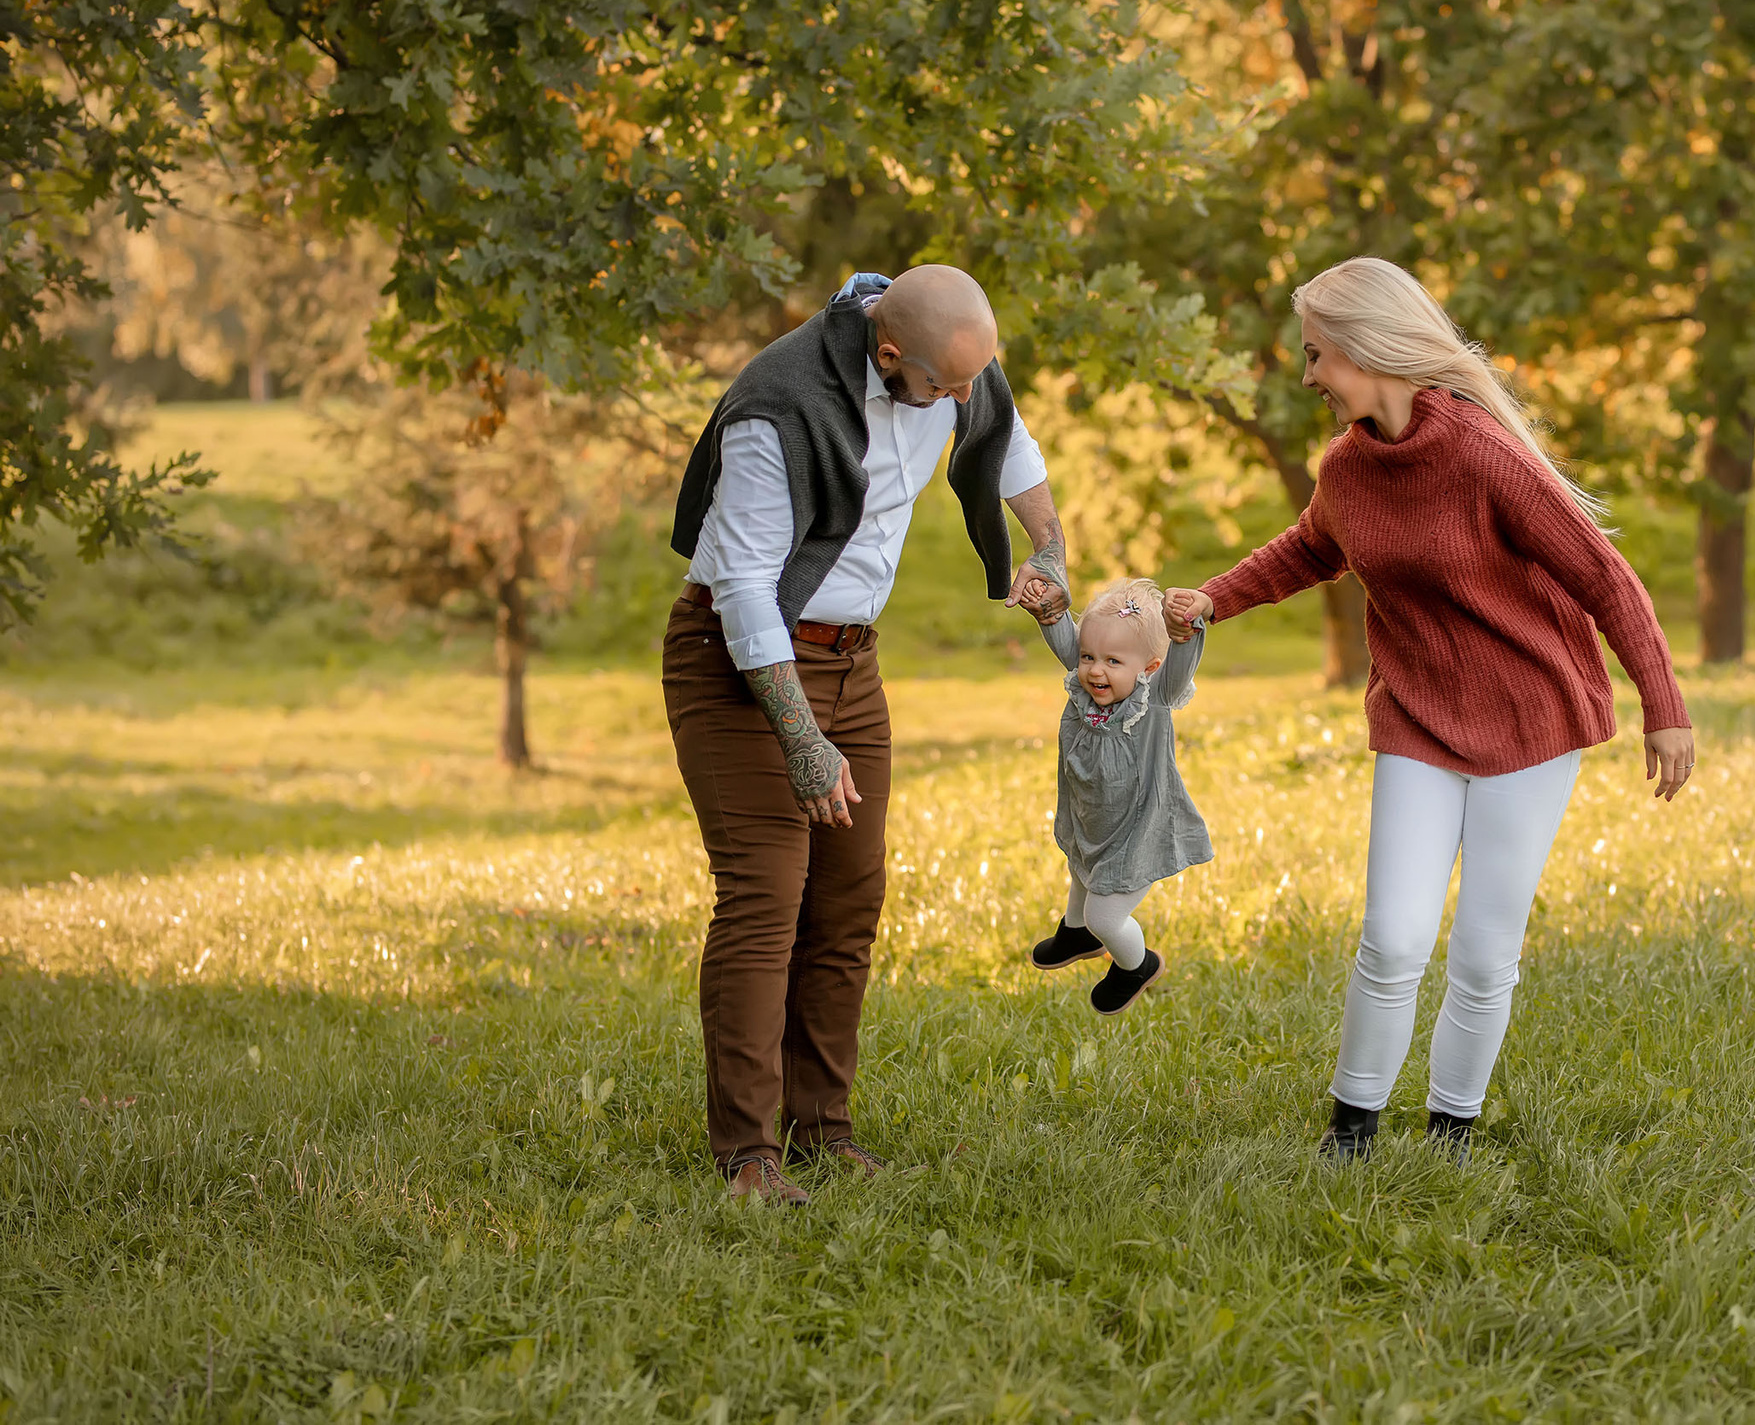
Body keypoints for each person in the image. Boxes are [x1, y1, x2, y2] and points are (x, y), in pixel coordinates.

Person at [1163, 257, 1694, 1163]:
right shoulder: (1350, 468)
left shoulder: (1484, 454)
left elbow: (1605, 575)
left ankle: (1452, 1127)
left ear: (1367, 352)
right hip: (1415, 713)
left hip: (1529, 720)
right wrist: (1212, 598)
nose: (1309, 377)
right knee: (1392, 934)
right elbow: (1306, 551)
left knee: (1486, 951)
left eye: (1318, 355)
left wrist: (1664, 703)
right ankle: (1353, 1128)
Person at [662, 264, 1069, 1204]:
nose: (964, 397)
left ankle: (823, 1129)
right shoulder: (778, 407)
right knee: (768, 897)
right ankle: (748, 1155)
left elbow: (1008, 442)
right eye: (946, 385)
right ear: (890, 356)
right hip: (741, 660)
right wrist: (802, 739)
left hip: (853, 658)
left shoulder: (958, 363)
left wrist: (1046, 549)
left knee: (847, 897)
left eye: (975, 377)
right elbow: (744, 589)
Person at [1019, 577, 1214, 1014]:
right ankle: (1076, 933)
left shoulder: (1155, 697)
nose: (1093, 669)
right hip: (1093, 818)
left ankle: (1135, 965)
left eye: (1111, 660)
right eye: (1088, 656)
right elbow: (1068, 640)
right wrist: (1049, 614)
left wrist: (1186, 629)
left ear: (1147, 667)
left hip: (1139, 828)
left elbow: (1180, 661)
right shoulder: (1089, 683)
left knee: (1105, 915)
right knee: (1080, 867)